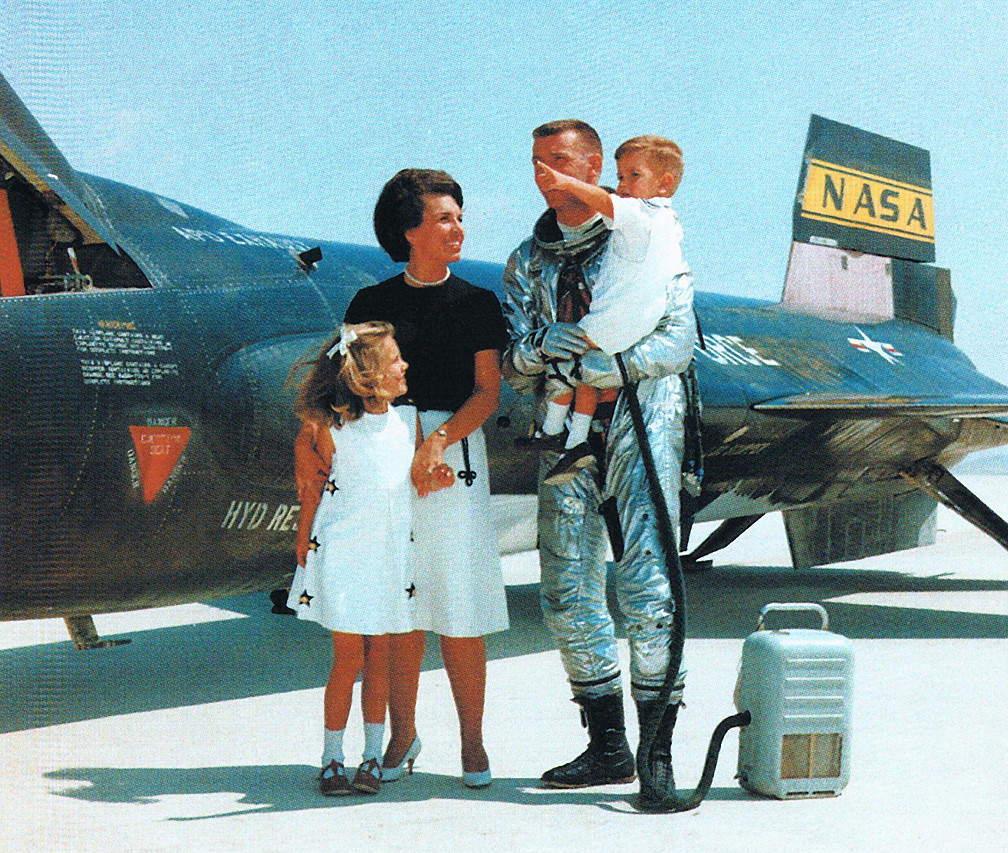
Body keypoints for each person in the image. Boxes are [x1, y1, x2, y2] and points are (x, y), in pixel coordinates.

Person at [501, 120, 696, 804]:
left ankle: (658, 750)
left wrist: (611, 363)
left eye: (559, 161)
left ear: (592, 166)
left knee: (647, 586)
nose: (544, 173)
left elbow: (679, 339)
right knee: (567, 590)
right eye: (535, 162)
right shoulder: (529, 261)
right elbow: (512, 357)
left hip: (641, 421)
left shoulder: (643, 235)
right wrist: (540, 347)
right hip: (565, 436)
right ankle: (608, 745)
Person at [343, 168, 510, 789]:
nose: (458, 228)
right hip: (384, 456)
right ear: (408, 231)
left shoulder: (477, 303)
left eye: (459, 216)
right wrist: (396, 451)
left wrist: (435, 442)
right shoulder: (368, 305)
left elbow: (487, 393)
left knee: (459, 610)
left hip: (455, 455)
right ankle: (403, 736)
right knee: (398, 610)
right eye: (444, 218)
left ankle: (473, 742)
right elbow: (353, 388)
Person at [286, 321, 450, 796]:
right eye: (395, 360)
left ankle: (371, 758)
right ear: (369, 376)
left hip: (388, 556)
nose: (405, 365)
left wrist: (434, 479)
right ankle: (331, 756)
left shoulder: (408, 419)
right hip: (342, 553)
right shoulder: (330, 425)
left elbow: (413, 480)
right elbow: (311, 486)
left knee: (379, 659)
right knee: (347, 659)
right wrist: (303, 535)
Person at [531, 135, 689, 485]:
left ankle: (553, 431)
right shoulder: (671, 222)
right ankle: (577, 441)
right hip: (637, 321)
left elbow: (603, 202)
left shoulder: (639, 212)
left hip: (611, 319)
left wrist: (566, 182)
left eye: (634, 176)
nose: (622, 186)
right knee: (587, 376)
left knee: (562, 362)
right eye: (620, 177)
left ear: (664, 183)